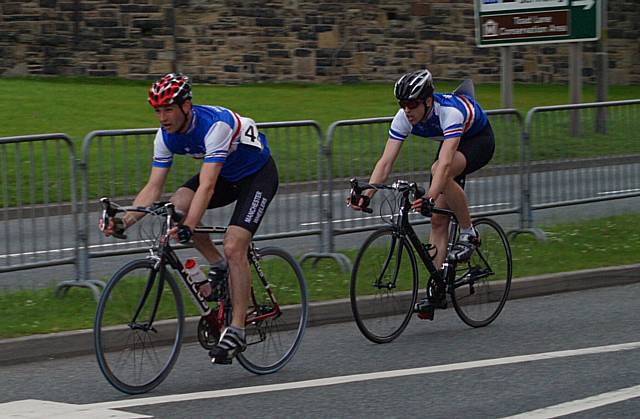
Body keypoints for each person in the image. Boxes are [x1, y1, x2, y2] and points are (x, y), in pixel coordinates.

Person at [101, 73, 279, 363]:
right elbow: (153, 186)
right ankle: (217, 264)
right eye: (157, 110)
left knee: (234, 244)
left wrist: (189, 227)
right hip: (226, 175)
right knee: (178, 206)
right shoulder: (165, 136)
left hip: (256, 177)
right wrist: (124, 221)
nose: (162, 117)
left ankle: (237, 328)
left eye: (168, 109)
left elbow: (207, 187)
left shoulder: (214, 126)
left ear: (186, 106)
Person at [349, 69, 495, 320]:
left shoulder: (450, 113)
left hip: (478, 140)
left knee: (439, 169)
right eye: (402, 104)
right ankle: (437, 288)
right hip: (452, 143)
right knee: (438, 220)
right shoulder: (404, 117)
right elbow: (385, 163)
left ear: (428, 101)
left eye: (412, 103)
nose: (407, 109)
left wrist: (429, 196)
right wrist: (368, 194)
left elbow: (447, 162)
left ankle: (469, 232)